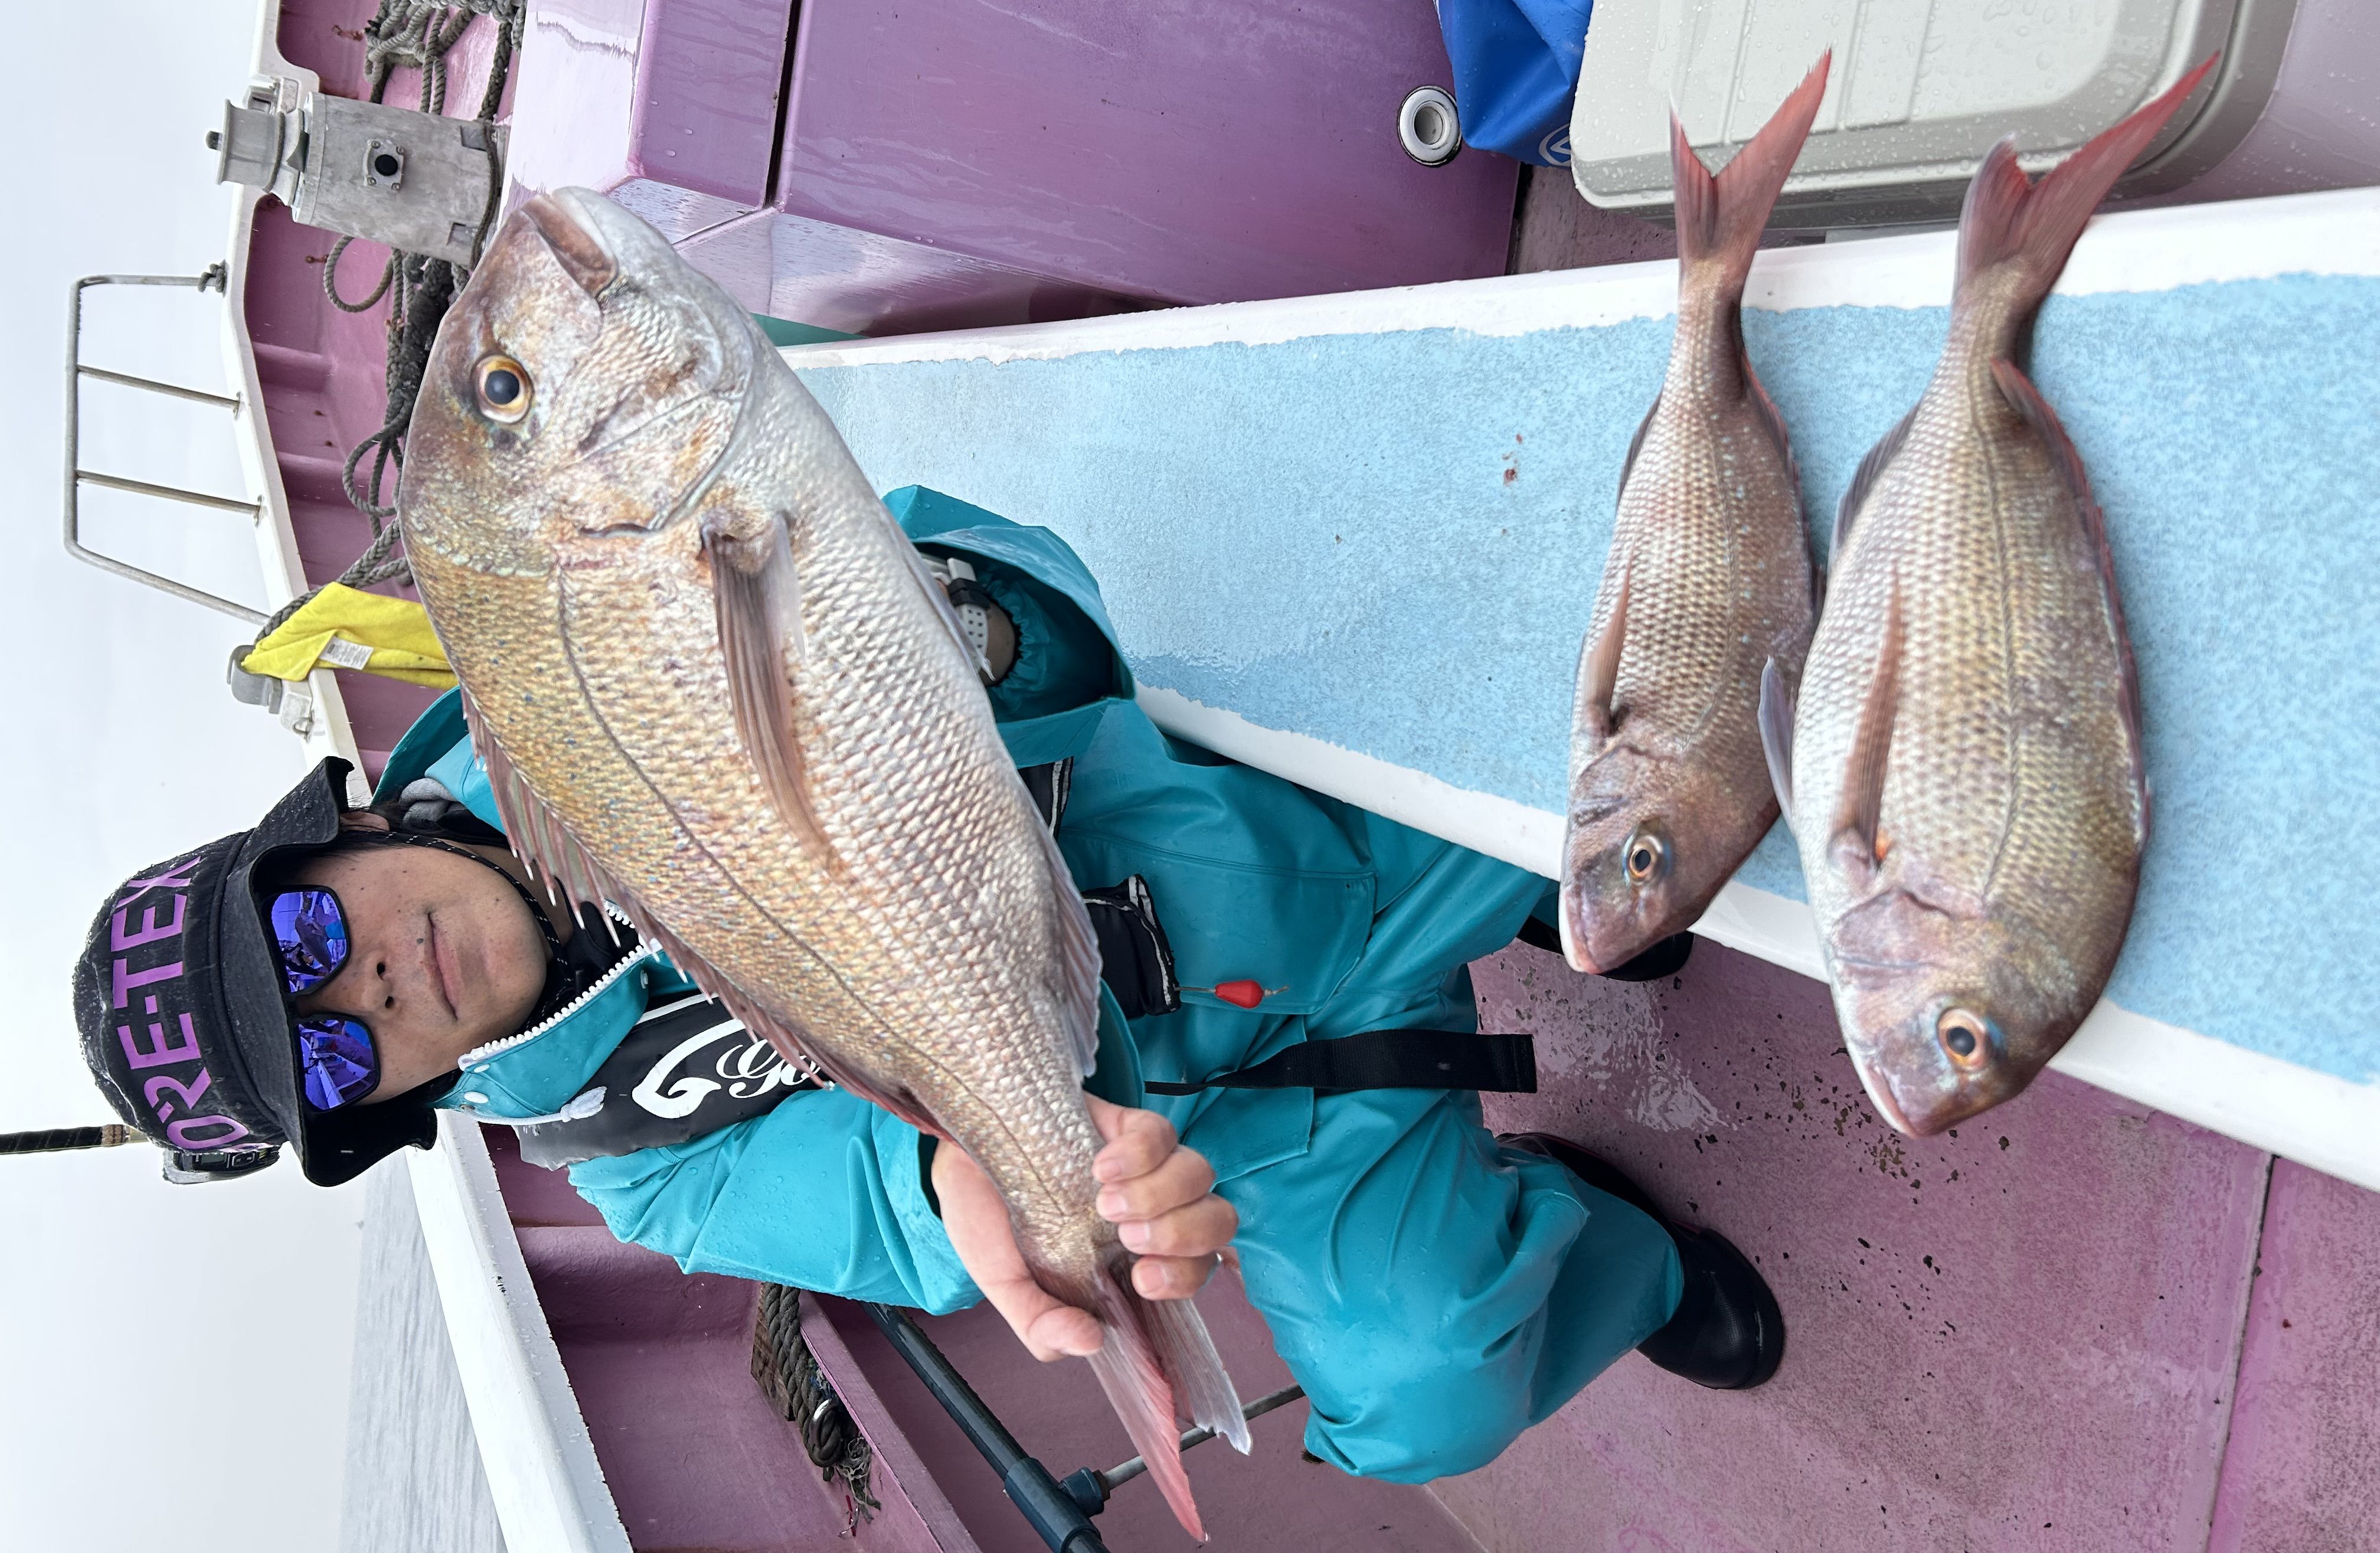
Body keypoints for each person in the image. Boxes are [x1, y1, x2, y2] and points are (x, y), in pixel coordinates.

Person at [74, 488, 1782, 1482]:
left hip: (1293, 834)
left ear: (333, 838)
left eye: (305, 946)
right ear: (386, 1111)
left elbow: (1029, 602)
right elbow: (892, 1206)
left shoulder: (597, 677)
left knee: (1651, 756)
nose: (368, 991)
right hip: (1245, 1130)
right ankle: (1608, 1253)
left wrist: (952, 629)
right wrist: (972, 1171)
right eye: (331, 1061)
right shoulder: (641, 1163)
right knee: (1427, 1396)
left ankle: (1557, 899)